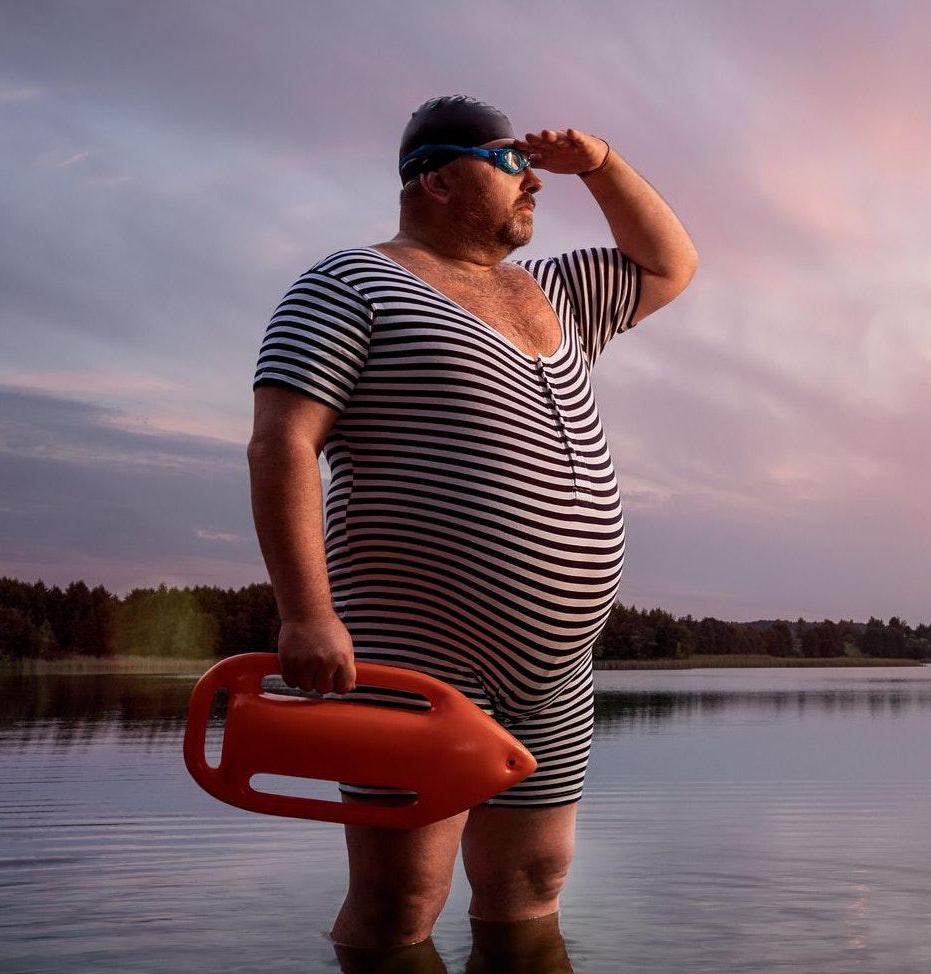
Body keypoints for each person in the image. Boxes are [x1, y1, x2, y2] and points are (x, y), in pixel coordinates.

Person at [248, 95, 697, 957]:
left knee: (530, 888)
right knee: (399, 901)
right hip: (414, 654)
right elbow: (281, 446)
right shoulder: (350, 282)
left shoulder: (554, 291)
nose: (533, 181)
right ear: (437, 178)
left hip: (556, 671)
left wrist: (599, 163)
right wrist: (306, 613)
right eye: (507, 163)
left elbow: (670, 263)